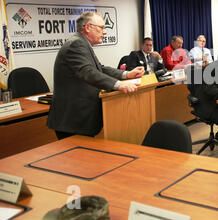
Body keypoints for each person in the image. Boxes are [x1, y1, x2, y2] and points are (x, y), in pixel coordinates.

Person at [47, 12, 145, 140]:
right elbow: (88, 72)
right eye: (102, 28)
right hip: (72, 120)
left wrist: (126, 74)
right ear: (88, 27)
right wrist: (119, 85)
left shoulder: (82, 43)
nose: (105, 32)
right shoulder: (76, 44)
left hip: (77, 119)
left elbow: (100, 69)